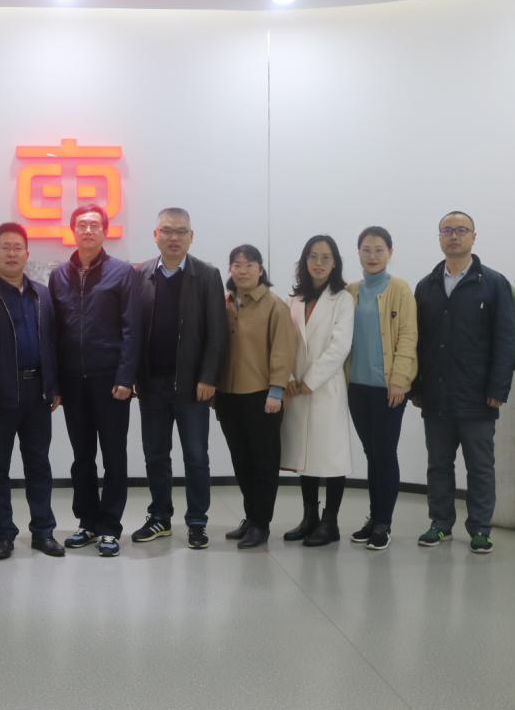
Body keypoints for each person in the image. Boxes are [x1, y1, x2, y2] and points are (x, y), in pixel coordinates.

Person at [413, 211, 514, 554]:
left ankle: (480, 529)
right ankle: (440, 524)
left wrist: (498, 389)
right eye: (447, 230)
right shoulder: (426, 285)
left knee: (480, 467)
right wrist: (417, 387)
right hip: (436, 394)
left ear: (473, 236)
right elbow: (418, 342)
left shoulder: (494, 284)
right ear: (439, 236)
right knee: (438, 465)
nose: (454, 236)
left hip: (478, 396)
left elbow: (505, 340)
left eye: (461, 230)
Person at [0, 223, 66, 560]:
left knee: (39, 465)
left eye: (17, 247)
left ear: (27, 254)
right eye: (5, 248)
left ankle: (43, 532)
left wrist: (54, 386)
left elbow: (53, 343)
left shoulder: (42, 294)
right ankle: (4, 534)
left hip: (38, 394)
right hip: (0, 396)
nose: (11, 253)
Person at [47, 203, 142, 557]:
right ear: (73, 231)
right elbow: (53, 334)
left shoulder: (122, 273)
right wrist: (55, 384)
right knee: (82, 456)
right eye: (82, 225)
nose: (88, 230)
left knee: (114, 455)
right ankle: (87, 522)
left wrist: (126, 377)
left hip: (110, 381)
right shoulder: (59, 275)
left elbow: (132, 329)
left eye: (94, 225)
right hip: (73, 382)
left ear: (105, 231)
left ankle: (110, 527)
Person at [131, 207, 227, 550]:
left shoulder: (207, 275)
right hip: (151, 385)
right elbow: (132, 330)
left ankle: (197, 522)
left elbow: (217, 333)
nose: (174, 237)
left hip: (192, 387)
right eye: (167, 231)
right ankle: (160, 517)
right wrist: (133, 377)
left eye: (181, 231)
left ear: (191, 236)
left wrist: (208, 377)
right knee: (155, 455)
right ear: (155, 235)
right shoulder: (140, 274)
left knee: (196, 457)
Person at [218, 244, 297, 549]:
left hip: (263, 396)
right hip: (228, 395)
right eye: (237, 265)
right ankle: (251, 517)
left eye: (249, 265)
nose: (243, 270)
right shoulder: (224, 304)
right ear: (230, 269)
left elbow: (283, 351)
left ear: (261, 269)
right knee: (241, 461)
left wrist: (276, 391)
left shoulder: (275, 306)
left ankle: (261, 524)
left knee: (264, 462)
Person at [344, 226, 417, 551]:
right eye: (366, 250)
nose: (372, 256)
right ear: (358, 253)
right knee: (371, 453)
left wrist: (400, 379)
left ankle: (383, 523)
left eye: (379, 250)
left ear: (390, 253)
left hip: (389, 389)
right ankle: (373, 518)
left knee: (385, 453)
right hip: (356, 387)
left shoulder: (400, 289)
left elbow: (408, 336)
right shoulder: (350, 291)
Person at [279, 235, 355, 548]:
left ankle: (330, 522)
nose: (319, 263)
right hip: (295, 387)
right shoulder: (294, 299)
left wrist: (309, 380)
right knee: (305, 456)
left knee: (331, 457)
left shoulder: (343, 299)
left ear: (335, 262)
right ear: (304, 261)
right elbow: (283, 341)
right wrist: (288, 377)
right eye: (313, 256)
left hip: (325, 388)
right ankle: (309, 517)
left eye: (326, 257)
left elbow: (340, 346)